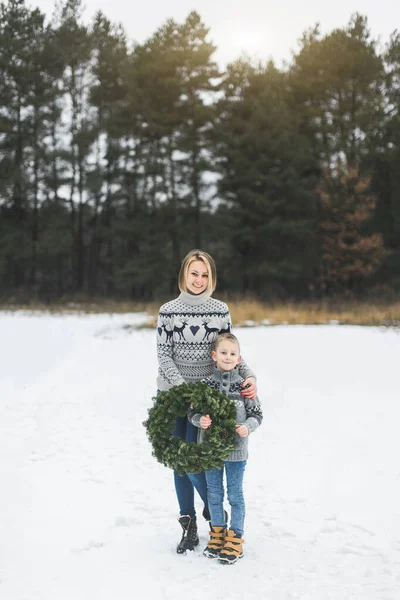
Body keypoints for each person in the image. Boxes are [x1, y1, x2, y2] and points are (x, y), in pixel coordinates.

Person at [156, 249, 257, 554]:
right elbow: (164, 356)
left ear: (210, 278)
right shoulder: (168, 311)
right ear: (184, 275)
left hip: (210, 398)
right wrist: (183, 391)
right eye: (193, 273)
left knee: (197, 461)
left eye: (204, 275)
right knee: (179, 463)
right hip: (175, 396)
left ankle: (214, 511)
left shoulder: (219, 310)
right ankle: (189, 527)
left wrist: (248, 374)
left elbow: (229, 349)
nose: (198, 280)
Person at [188, 332, 263, 564]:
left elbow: (257, 414)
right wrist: (200, 420)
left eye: (232, 354)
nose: (228, 357)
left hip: (236, 452)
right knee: (214, 494)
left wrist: (247, 427)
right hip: (211, 451)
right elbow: (192, 412)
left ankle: (236, 537)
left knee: (234, 494)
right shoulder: (205, 385)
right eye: (223, 353)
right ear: (214, 356)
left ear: (239, 358)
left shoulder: (244, 386)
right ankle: (217, 534)